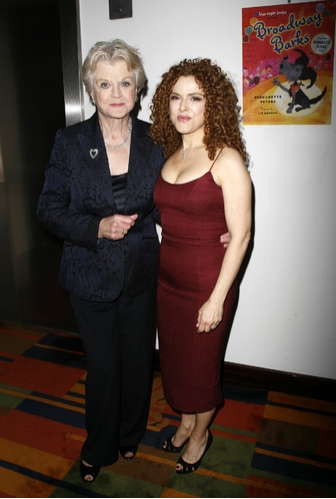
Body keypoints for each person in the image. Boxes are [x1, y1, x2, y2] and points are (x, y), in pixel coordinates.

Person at [36, 39, 166, 483]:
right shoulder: (70, 142)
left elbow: (167, 205)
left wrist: (212, 228)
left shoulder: (156, 140)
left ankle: (130, 434)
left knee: (137, 360)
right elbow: (48, 209)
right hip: (88, 273)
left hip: (141, 271)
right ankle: (99, 445)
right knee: (104, 365)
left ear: (137, 88)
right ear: (91, 90)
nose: (116, 93)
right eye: (105, 83)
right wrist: (97, 227)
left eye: (125, 82)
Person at [150, 58, 252, 474]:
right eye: (175, 97)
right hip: (168, 280)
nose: (183, 106)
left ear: (214, 105)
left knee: (201, 368)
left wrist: (216, 300)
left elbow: (240, 235)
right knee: (174, 360)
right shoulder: (170, 155)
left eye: (195, 97)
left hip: (208, 283)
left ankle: (199, 435)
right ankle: (185, 419)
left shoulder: (225, 159)